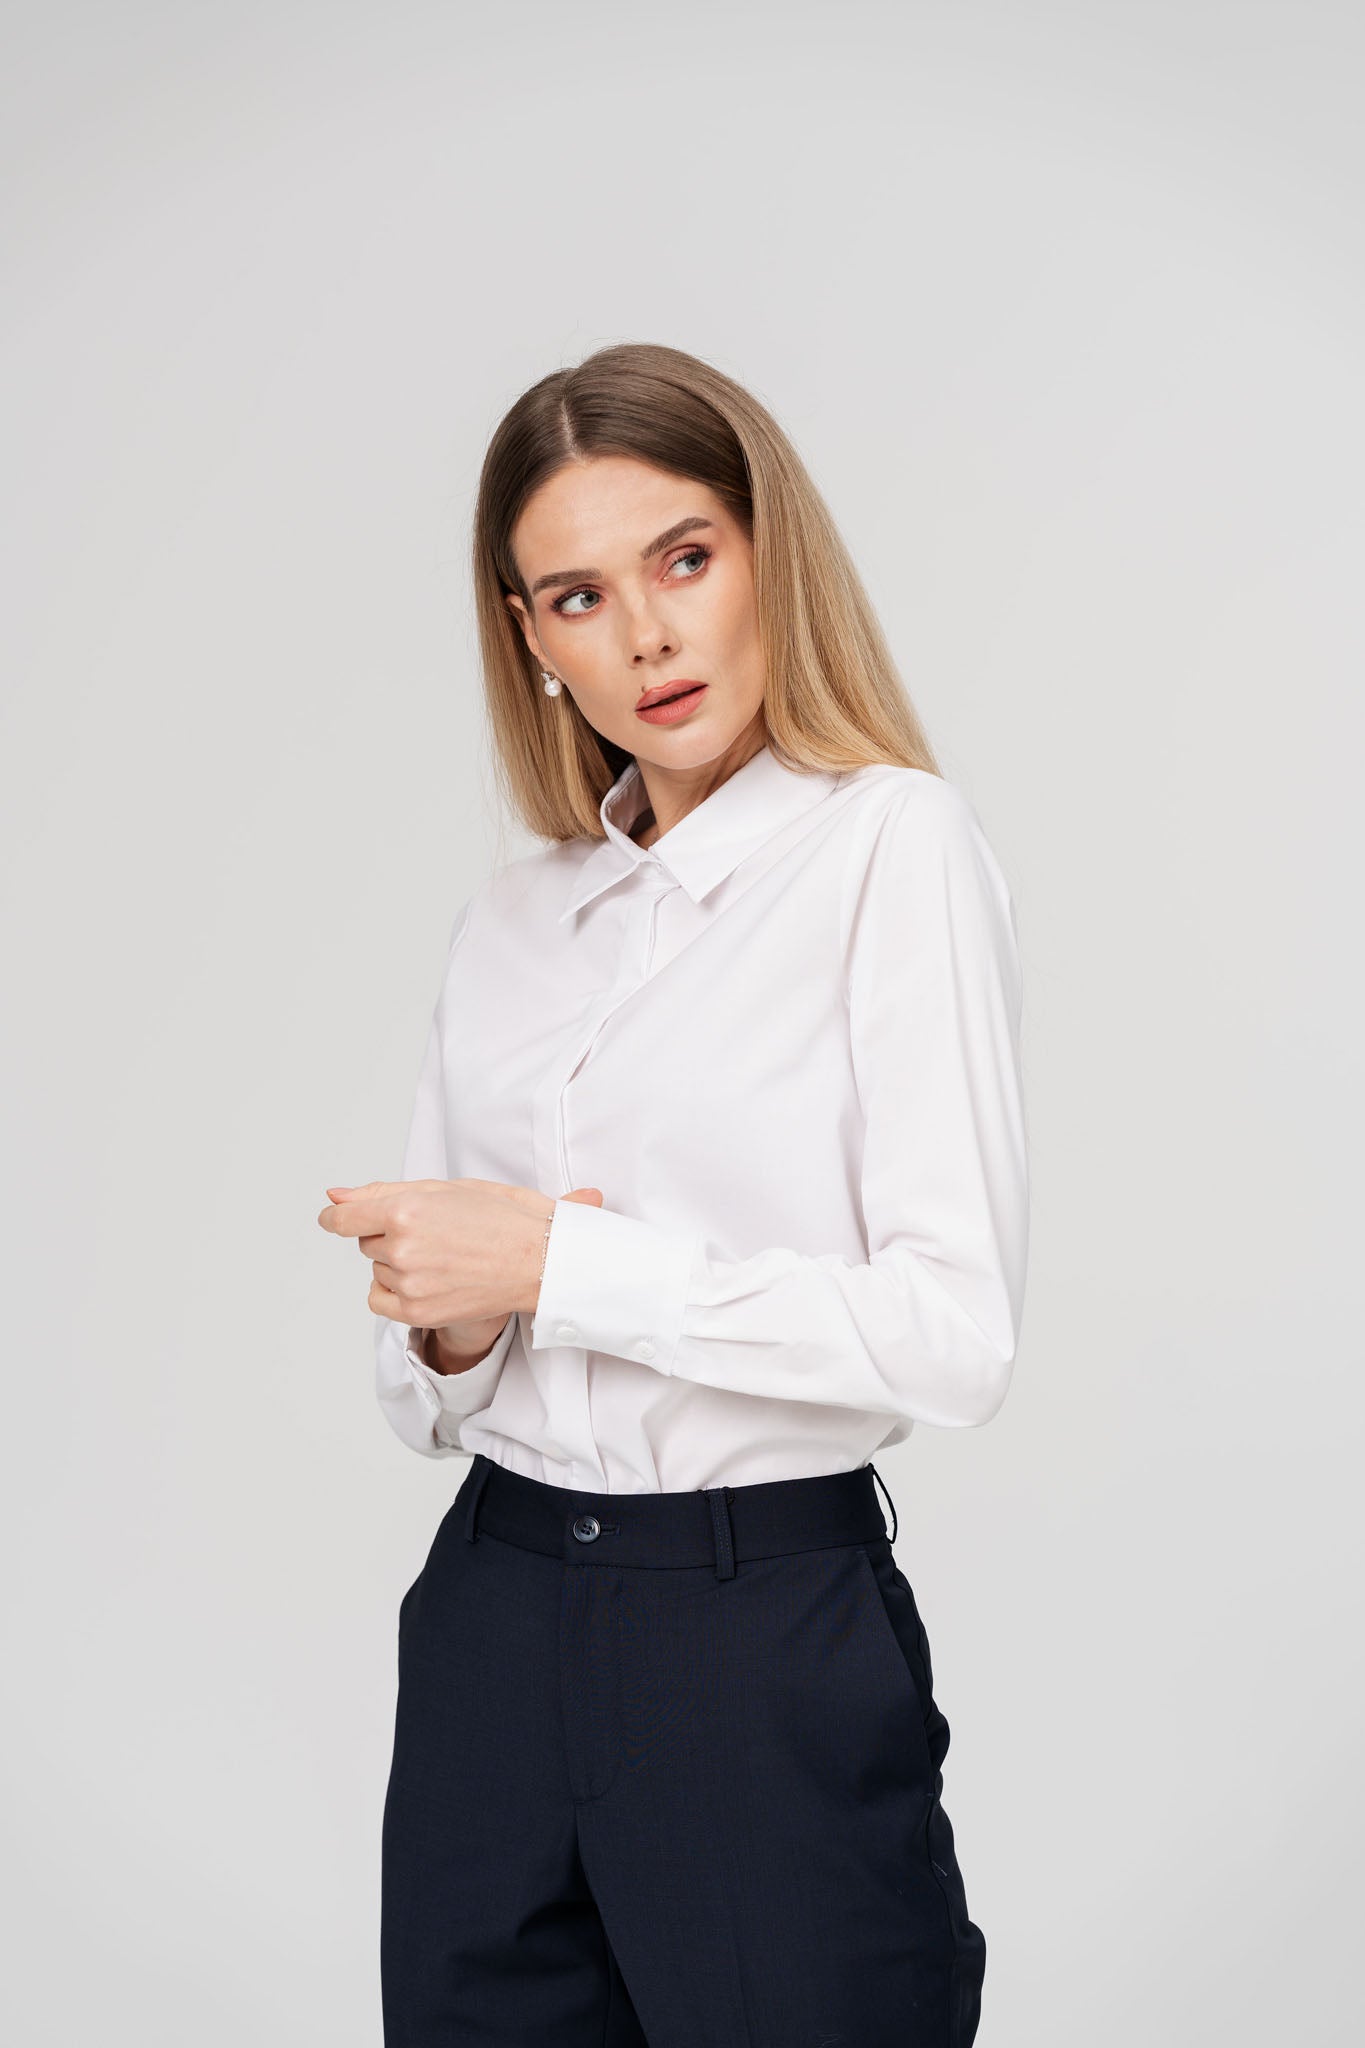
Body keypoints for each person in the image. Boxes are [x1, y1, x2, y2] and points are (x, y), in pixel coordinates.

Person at [318, 341, 1030, 2047]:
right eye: (578, 596)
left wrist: (560, 1264)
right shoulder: (514, 923)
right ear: (529, 638)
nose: (642, 635)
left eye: (683, 560)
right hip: (492, 1616)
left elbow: (952, 1338)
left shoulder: (886, 848)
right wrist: (453, 1326)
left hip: (752, 1626)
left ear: (770, 553)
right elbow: (424, 1389)